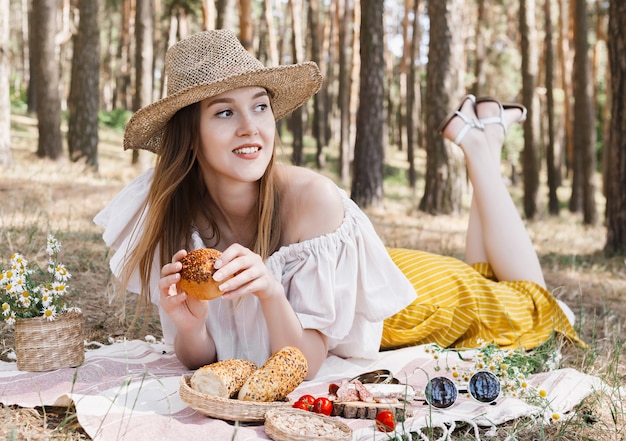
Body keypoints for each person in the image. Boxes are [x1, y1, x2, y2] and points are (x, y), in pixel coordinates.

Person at [94, 30, 581, 380]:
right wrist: (190, 327)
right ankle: (480, 137)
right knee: (487, 271)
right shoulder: (171, 214)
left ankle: (481, 147)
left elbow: (304, 362)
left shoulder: (313, 200)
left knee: (535, 304)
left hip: (413, 305)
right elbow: (200, 357)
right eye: (224, 111)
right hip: (365, 283)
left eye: (260, 105)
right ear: (189, 137)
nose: (252, 127)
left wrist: (270, 292)